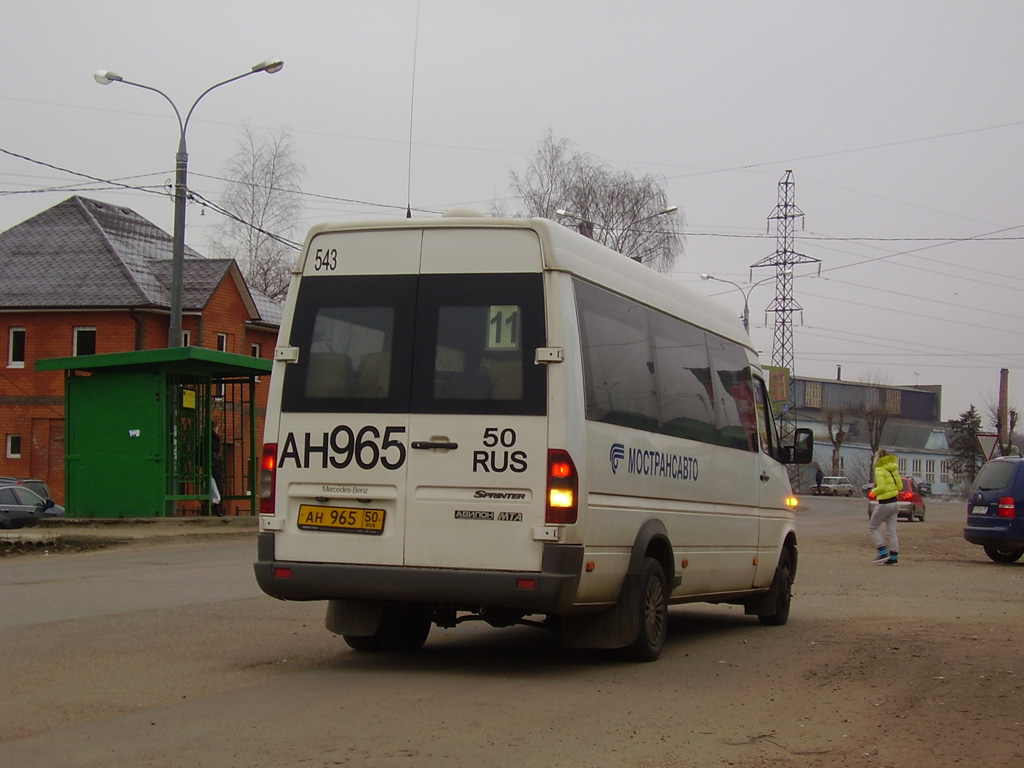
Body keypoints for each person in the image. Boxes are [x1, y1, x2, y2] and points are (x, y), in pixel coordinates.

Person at [869, 448, 902, 565]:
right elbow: (900, 486)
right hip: (895, 503)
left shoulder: (879, 469)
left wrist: (873, 491)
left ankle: (882, 551)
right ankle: (894, 557)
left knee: (873, 527)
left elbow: (882, 488)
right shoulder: (893, 469)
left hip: (885, 503)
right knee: (892, 532)